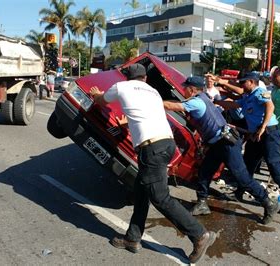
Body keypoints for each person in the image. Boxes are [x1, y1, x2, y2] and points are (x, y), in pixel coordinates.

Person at [88, 64, 216, 263]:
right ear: (145, 78)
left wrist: (96, 94)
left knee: (159, 197)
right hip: (166, 143)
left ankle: (199, 234)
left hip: (151, 148)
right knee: (141, 192)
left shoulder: (122, 87)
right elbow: (142, 114)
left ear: (126, 78)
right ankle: (132, 238)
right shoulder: (154, 92)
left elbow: (101, 101)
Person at [163, 76, 279, 225]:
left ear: (191, 89)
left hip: (226, 143)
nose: (183, 90)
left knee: (241, 177)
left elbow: (173, 106)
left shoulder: (197, 102)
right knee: (204, 172)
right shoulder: (202, 97)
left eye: (185, 87)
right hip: (218, 143)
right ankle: (202, 203)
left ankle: (268, 202)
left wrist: (153, 101)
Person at [215, 72, 280, 214]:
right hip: (257, 134)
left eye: (243, 82)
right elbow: (234, 104)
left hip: (269, 132)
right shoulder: (248, 96)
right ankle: (240, 191)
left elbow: (270, 107)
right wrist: (215, 102)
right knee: (248, 163)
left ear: (252, 82)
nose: (241, 85)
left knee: (273, 165)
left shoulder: (260, 92)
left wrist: (263, 127)